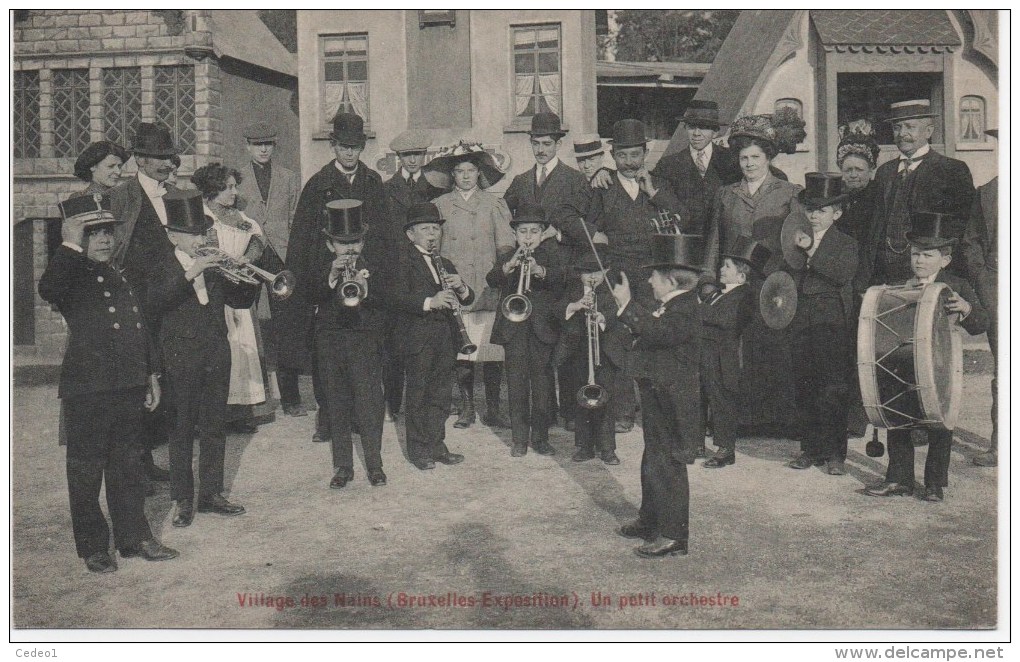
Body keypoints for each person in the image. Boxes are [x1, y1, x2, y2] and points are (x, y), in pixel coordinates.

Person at [38, 194, 178, 573]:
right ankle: (94, 547)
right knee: (86, 471)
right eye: (93, 233)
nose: (103, 240)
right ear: (77, 237)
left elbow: (139, 328)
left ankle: (135, 538)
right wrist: (68, 243)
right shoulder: (71, 273)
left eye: (107, 233)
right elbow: (48, 289)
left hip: (128, 384)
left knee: (128, 465)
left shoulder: (120, 272)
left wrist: (150, 375)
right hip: (89, 389)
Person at [145, 190, 258, 528]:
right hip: (180, 357)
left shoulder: (214, 262)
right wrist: (194, 270)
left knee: (214, 427)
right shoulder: (160, 264)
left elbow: (239, 302)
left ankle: (211, 494)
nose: (199, 239)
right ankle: (182, 499)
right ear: (172, 236)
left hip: (215, 353)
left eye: (202, 233)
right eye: (192, 234)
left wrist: (242, 272)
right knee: (180, 430)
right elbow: (155, 303)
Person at [864, 211, 988, 501]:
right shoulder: (900, 284)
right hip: (903, 358)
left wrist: (966, 308)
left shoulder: (956, 285)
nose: (919, 260)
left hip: (941, 361)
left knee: (940, 423)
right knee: (899, 415)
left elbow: (981, 323)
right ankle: (898, 479)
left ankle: (934, 483)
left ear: (944, 259)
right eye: (916, 254)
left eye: (927, 255)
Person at [285, 112, 386, 445]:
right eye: (344, 147)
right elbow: (301, 238)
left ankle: (359, 415)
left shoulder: (372, 182)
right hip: (327, 277)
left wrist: (370, 268)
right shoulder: (318, 184)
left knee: (362, 347)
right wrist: (313, 277)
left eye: (355, 147)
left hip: (363, 275)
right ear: (333, 146)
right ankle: (327, 416)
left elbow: (383, 235)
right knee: (326, 351)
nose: (350, 154)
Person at [704, 114, 803, 435]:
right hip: (734, 284)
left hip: (773, 284)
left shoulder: (789, 193)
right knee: (735, 351)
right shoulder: (726, 194)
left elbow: (796, 241)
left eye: (755, 158)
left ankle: (776, 419)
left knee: (773, 348)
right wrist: (710, 280)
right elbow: (714, 241)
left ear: (769, 158)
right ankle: (739, 420)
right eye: (743, 158)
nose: (748, 164)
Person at [585, 119, 685, 433]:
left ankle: (654, 408)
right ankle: (624, 410)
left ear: (645, 153)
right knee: (617, 339)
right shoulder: (602, 188)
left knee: (652, 338)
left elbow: (679, 219)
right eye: (624, 156)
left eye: (636, 154)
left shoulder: (659, 185)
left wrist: (653, 191)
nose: (630, 162)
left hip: (652, 277)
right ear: (613, 157)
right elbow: (589, 227)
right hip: (617, 275)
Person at [609, 234, 704, 558]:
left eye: (654, 275)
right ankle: (651, 519)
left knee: (670, 463)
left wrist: (625, 305)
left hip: (673, 399)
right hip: (657, 392)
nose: (649, 280)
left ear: (670, 279)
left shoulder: (687, 306)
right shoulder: (671, 304)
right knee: (654, 457)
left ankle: (674, 534)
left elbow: (661, 333)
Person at [502, 112, 592, 433]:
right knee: (538, 345)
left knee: (566, 343)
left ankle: (569, 409)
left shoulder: (576, 181)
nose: (541, 149)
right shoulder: (520, 182)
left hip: (564, 271)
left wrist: (559, 234)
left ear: (558, 143)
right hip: (532, 280)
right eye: (536, 143)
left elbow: (585, 229)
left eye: (547, 143)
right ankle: (544, 413)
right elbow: (505, 217)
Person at [109, 122, 180, 484]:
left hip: (173, 299)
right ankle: (137, 464)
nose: (167, 164)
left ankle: (150, 457)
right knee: (140, 379)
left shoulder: (178, 193)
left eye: (169, 157)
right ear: (139, 159)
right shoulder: (122, 195)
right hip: (138, 300)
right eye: (158, 158)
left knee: (164, 377)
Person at [427, 141, 515, 430]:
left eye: (471, 170)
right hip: (456, 286)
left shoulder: (494, 204)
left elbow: (505, 246)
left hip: (487, 286)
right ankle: (467, 407)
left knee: (490, 351)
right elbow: (433, 249)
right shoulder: (440, 205)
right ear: (452, 175)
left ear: (480, 173)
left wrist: (501, 274)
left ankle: (494, 407)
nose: (465, 176)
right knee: (462, 351)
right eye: (459, 171)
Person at [385, 202, 472, 471]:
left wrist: (462, 287)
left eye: (436, 229)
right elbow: (394, 298)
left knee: (441, 395)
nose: (432, 234)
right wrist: (429, 302)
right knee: (419, 395)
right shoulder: (400, 260)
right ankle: (418, 450)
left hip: (444, 336)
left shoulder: (444, 262)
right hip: (417, 337)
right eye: (425, 229)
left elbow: (467, 299)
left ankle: (437, 446)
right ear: (410, 234)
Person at [784, 174, 859, 475]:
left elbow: (842, 274)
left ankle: (835, 454)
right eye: (811, 209)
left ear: (837, 213)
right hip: (802, 319)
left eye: (822, 210)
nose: (814, 215)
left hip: (832, 323)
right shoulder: (797, 236)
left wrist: (810, 251)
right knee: (805, 385)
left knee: (833, 389)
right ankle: (809, 449)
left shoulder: (846, 242)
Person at [858, 100, 975, 289]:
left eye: (910, 127)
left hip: (927, 277)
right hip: (884, 276)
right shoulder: (884, 172)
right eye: (897, 127)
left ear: (928, 131)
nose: (902, 134)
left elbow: (962, 229)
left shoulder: (952, 170)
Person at [314, 200, 387, 489]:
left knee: (370, 404)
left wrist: (366, 286)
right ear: (331, 245)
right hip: (331, 342)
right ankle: (343, 466)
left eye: (355, 242)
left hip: (364, 341)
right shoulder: (322, 267)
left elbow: (386, 301)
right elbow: (310, 295)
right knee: (337, 404)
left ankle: (375, 465)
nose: (350, 249)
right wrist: (332, 276)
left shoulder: (375, 265)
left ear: (363, 240)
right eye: (342, 244)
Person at [192, 163, 269, 435]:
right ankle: (217, 415)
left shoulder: (240, 216)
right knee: (221, 350)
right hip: (212, 289)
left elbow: (258, 239)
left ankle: (240, 413)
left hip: (238, 291)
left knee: (242, 347)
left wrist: (247, 258)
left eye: (235, 186)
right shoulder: (201, 215)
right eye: (228, 187)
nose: (234, 192)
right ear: (212, 190)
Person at [486, 204, 564, 457]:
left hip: (542, 329)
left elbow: (561, 279)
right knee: (517, 387)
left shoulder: (551, 256)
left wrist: (540, 271)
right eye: (523, 232)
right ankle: (519, 439)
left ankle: (540, 438)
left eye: (533, 232)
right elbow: (491, 279)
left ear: (542, 235)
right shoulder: (508, 256)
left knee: (542, 388)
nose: (528, 237)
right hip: (514, 329)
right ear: (515, 235)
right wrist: (507, 269)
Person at [235, 121, 302, 417]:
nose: (263, 149)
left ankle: (291, 398)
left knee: (285, 324)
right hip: (249, 251)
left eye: (268, 144)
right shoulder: (236, 178)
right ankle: (254, 400)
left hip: (280, 255)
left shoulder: (288, 177)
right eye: (257, 144)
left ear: (274, 146)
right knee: (244, 321)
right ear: (247, 146)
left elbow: (294, 218)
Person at [380, 129, 445, 421]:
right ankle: (394, 402)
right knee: (395, 340)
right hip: (398, 268)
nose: (413, 161)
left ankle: (429, 401)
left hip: (427, 268)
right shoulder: (386, 189)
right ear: (399, 159)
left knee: (429, 340)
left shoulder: (436, 188)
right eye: (407, 156)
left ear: (425, 157)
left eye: (417, 155)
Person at [555, 249, 626, 465]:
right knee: (582, 400)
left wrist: (602, 317)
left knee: (605, 402)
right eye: (587, 273)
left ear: (606, 271)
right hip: (578, 354)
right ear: (579, 274)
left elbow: (617, 311)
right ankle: (584, 446)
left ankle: (607, 449)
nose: (592, 277)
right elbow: (557, 309)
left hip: (604, 354)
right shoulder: (573, 289)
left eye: (597, 271)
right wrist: (575, 306)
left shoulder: (611, 291)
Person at [699, 236, 764, 469]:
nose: (720, 269)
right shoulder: (718, 293)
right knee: (703, 396)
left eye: (727, 266)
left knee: (722, 401)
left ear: (742, 276)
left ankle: (726, 449)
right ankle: (697, 443)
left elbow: (726, 320)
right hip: (707, 354)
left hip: (724, 357)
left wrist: (696, 311)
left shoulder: (745, 296)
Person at [963, 129, 998, 467]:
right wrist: (985, 284)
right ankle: (1001, 445)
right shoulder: (986, 194)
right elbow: (971, 243)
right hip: (999, 291)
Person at [834, 129, 880, 243]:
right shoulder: (836, 196)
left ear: (871, 170)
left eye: (859, 170)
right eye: (848, 170)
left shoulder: (880, 197)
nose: (853, 175)